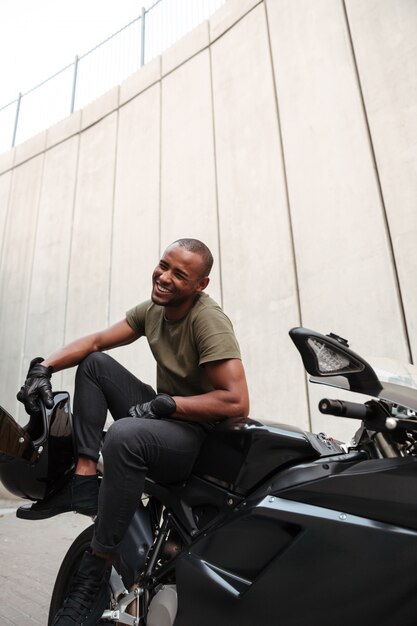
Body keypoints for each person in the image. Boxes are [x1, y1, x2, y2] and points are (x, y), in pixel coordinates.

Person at [16, 238, 249, 626]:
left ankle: (93, 574)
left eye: (180, 274)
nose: (165, 277)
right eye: (163, 265)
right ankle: (85, 478)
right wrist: (44, 368)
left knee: (125, 434)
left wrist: (170, 405)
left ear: (200, 286)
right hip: (165, 415)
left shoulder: (208, 321)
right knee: (94, 364)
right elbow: (94, 341)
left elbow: (236, 402)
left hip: (199, 437)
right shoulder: (154, 310)